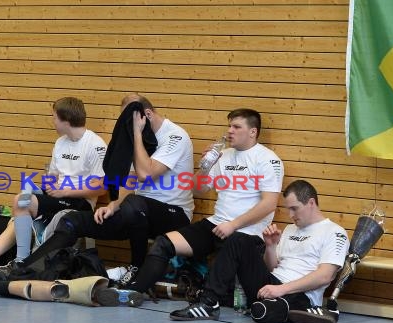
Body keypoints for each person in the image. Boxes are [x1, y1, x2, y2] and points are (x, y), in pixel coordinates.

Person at [0, 94, 195, 302]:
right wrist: (113, 205)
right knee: (72, 220)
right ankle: (24, 268)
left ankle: (136, 268)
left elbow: (146, 173)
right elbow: (131, 181)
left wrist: (137, 134)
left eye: (128, 122)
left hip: (173, 213)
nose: (125, 129)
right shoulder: (136, 140)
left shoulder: (175, 136)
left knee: (134, 205)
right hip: (135, 211)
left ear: (145, 115)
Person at [111, 108, 284, 305]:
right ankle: (133, 293)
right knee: (163, 244)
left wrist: (233, 224)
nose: (230, 131)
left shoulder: (268, 159)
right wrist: (205, 167)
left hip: (245, 232)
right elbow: (197, 189)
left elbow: (269, 204)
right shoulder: (223, 155)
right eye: (229, 126)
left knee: (223, 259)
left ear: (253, 132)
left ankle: (208, 304)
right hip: (217, 224)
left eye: (236, 127)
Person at [0, 96, 107, 276]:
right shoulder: (60, 143)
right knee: (22, 198)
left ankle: (18, 263)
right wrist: (45, 187)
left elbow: (102, 187)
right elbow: (53, 177)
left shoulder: (95, 145)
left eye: (54, 118)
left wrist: (65, 190)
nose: (53, 122)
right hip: (58, 196)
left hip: (79, 202)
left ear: (65, 120)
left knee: (22, 203)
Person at [170, 180, 349, 323]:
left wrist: (281, 289)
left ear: (311, 203)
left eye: (294, 208)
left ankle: (291, 310)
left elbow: (324, 277)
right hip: (271, 286)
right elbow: (272, 267)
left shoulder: (334, 232)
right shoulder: (290, 229)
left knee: (261, 313)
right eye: (288, 209)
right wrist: (270, 247)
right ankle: (208, 303)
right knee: (238, 239)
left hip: (300, 295)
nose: (290, 214)